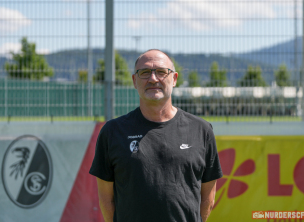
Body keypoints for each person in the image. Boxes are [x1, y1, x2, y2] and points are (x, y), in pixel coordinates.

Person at [89, 49, 223, 222]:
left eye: (161, 72)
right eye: (144, 72)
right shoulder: (112, 131)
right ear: (134, 81)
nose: (153, 79)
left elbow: (208, 199)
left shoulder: (201, 130)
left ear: (174, 79)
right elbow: (106, 201)